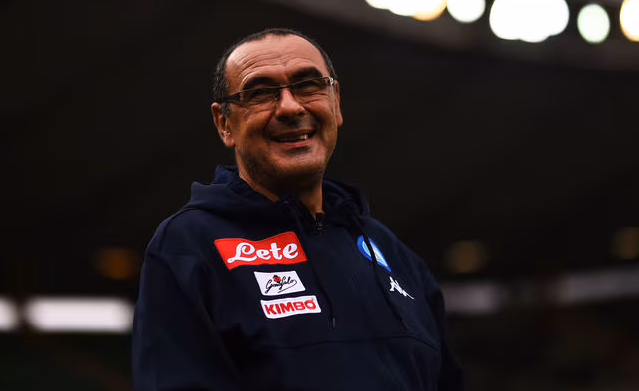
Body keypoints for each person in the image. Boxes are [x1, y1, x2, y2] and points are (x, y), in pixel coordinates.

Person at [131, 28, 462, 390]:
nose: (290, 107)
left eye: (308, 85)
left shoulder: (395, 256)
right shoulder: (188, 245)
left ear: (335, 102)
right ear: (225, 124)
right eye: (260, 93)